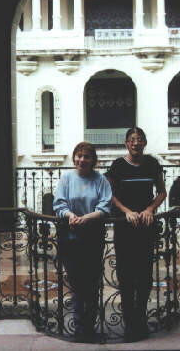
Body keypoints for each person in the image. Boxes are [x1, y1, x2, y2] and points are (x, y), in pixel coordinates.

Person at [106, 127, 167, 342]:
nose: (136, 143)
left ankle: (140, 319)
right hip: (124, 225)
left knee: (144, 274)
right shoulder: (118, 166)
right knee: (125, 273)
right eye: (132, 140)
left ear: (145, 143)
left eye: (139, 139)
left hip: (145, 225)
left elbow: (161, 191)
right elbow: (110, 194)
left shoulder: (151, 164)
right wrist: (126, 211)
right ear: (126, 143)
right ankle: (129, 321)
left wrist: (150, 209)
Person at [53, 142, 112, 342]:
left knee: (92, 285)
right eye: (79, 155)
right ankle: (79, 328)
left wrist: (86, 218)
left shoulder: (100, 180)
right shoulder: (66, 178)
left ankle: (90, 327)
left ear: (93, 160)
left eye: (87, 156)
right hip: (71, 239)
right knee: (77, 284)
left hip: (93, 239)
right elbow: (59, 203)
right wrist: (71, 215)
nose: (82, 160)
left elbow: (105, 206)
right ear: (74, 157)